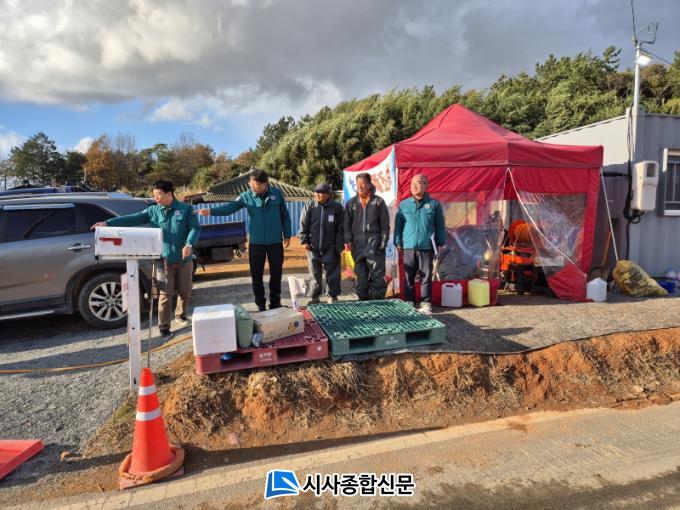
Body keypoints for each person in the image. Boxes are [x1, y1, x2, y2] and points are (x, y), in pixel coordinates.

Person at [91, 180, 200, 340]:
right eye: (154, 195)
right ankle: (164, 327)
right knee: (165, 294)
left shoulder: (186, 209)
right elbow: (133, 218)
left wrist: (189, 243)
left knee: (185, 291)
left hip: (184, 259)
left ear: (169, 193)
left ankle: (181, 315)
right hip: (163, 259)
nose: (156, 198)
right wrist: (107, 223)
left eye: (159, 195)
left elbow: (195, 228)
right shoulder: (153, 211)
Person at [197, 168, 291, 311]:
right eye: (251, 184)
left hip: (275, 242)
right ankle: (261, 305)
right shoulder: (246, 196)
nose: (253, 187)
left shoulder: (277, 194)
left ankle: (275, 303)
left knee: (276, 274)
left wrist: (287, 234)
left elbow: (284, 215)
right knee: (256, 275)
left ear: (265, 184)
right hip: (256, 243)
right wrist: (211, 211)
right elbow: (230, 208)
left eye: (256, 185)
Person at [394, 174, 446, 314]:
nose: (415, 186)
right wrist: (397, 242)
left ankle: (425, 302)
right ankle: (409, 301)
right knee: (408, 277)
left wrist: (441, 242)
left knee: (426, 277)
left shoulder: (434, 204)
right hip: (409, 247)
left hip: (426, 247)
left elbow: (440, 225)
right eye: (412, 184)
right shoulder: (404, 205)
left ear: (426, 185)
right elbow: (398, 226)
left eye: (418, 183)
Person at [343, 172, 390, 301]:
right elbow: (346, 224)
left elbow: (385, 225)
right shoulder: (351, 203)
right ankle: (363, 300)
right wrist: (348, 240)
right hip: (357, 245)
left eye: (363, 184)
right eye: (358, 184)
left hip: (375, 244)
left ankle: (377, 300)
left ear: (369, 184)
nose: (360, 186)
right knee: (361, 275)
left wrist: (383, 242)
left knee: (377, 275)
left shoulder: (378, 202)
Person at [299, 183, 344, 304]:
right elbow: (303, 223)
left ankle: (332, 296)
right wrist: (304, 240)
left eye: (320, 193)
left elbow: (341, 227)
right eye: (316, 192)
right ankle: (314, 296)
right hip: (313, 246)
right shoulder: (310, 205)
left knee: (333, 272)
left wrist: (338, 245)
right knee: (314, 272)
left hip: (331, 246)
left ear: (328, 194)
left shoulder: (337, 207)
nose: (316, 195)